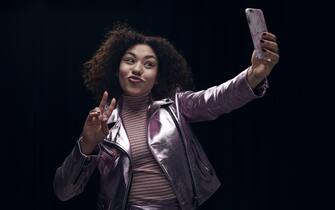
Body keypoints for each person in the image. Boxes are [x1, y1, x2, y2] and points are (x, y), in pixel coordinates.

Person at [53, 24, 279, 210]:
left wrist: (254, 75)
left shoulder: (176, 105)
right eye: (130, 60)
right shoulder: (101, 123)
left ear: (158, 77)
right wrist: (87, 143)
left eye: (148, 64)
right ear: (116, 69)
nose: (138, 69)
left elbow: (216, 99)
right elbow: (64, 191)